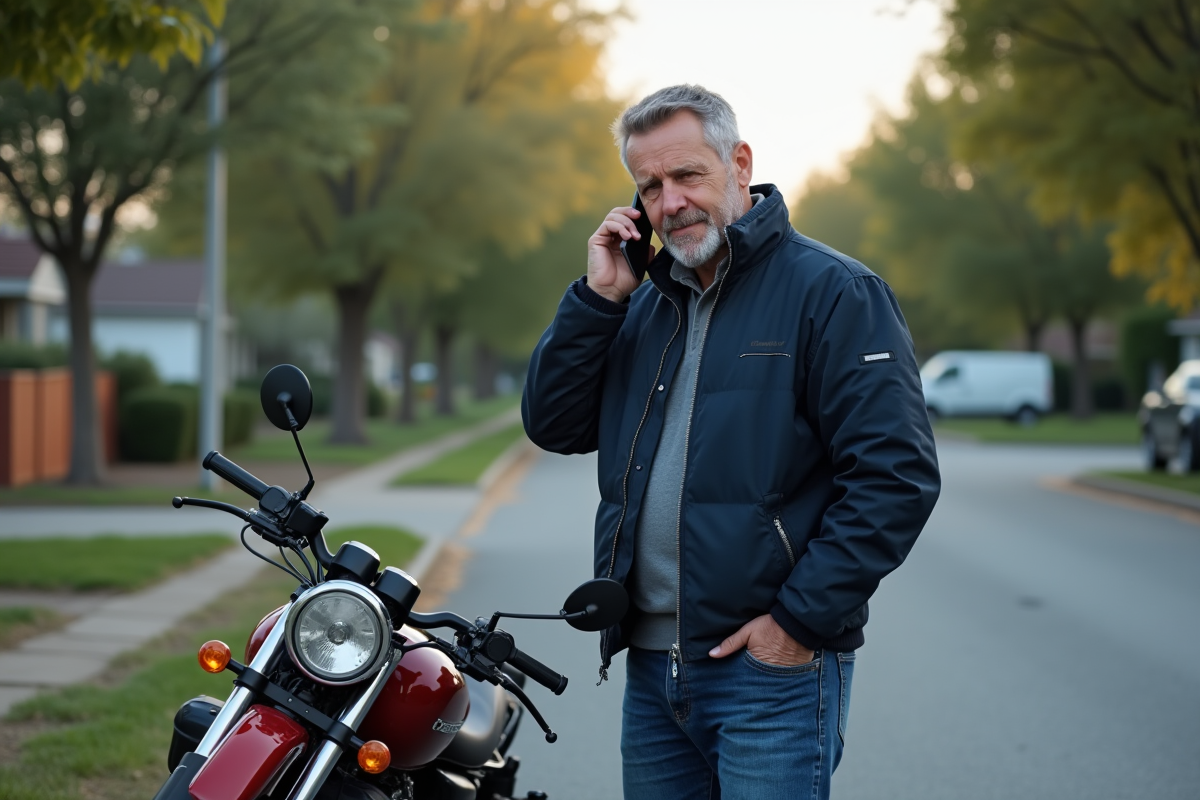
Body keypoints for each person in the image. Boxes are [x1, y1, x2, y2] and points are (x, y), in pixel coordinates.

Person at [521, 84, 940, 799]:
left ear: (739, 163)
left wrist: (795, 624)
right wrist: (598, 300)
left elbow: (894, 478)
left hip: (770, 672)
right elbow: (556, 425)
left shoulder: (835, 291)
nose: (671, 201)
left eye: (687, 175)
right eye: (650, 186)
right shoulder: (643, 302)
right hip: (653, 673)